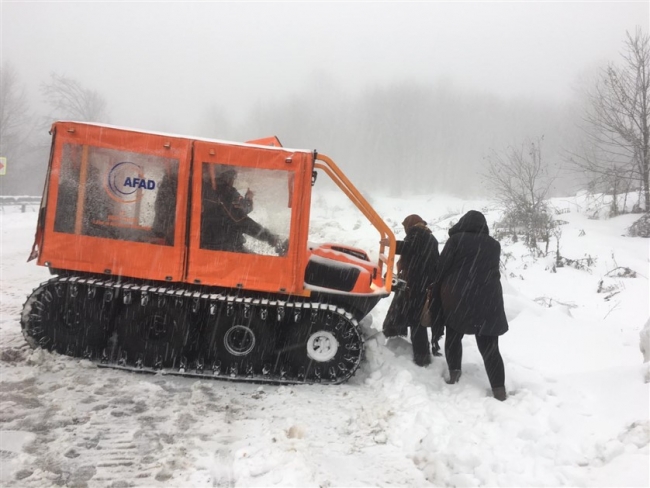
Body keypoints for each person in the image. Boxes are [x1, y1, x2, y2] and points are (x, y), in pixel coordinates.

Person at [429, 210, 508, 401]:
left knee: (454, 336)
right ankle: (499, 390)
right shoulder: (493, 245)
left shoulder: (456, 240)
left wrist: (435, 288)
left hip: (458, 297)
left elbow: (442, 267)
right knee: (490, 347)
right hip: (489, 300)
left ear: (463, 223)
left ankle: (454, 374)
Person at [382, 214, 442, 367]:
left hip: (415, 285)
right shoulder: (430, 237)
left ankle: (419, 358)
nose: (405, 230)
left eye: (405, 227)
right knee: (414, 319)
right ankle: (404, 347)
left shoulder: (417, 233)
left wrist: (391, 244)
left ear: (410, 225)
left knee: (412, 320)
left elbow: (408, 248)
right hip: (424, 284)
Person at [200, 166, 288, 254]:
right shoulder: (226, 193)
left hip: (206, 245)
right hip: (225, 247)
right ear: (228, 178)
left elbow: (240, 211)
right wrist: (271, 238)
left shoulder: (203, 189)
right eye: (233, 177)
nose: (234, 181)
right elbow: (243, 221)